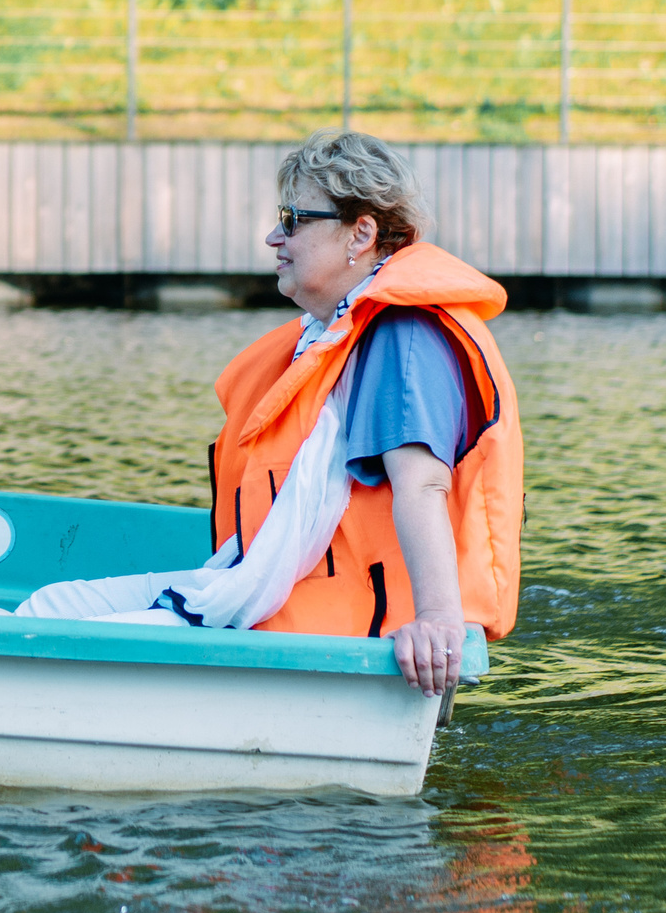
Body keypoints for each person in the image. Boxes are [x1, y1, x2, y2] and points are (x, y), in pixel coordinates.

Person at [220, 129, 526, 694]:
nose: (273, 236)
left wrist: (436, 620)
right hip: (313, 631)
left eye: (293, 220)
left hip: (357, 647)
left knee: (51, 604)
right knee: (56, 601)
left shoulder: (402, 333)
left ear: (360, 233)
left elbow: (423, 484)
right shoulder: (343, 333)